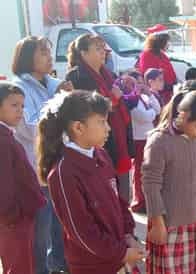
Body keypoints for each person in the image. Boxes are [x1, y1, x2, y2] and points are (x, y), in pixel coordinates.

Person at [37, 91, 144, 274]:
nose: (108, 128)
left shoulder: (100, 154)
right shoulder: (63, 172)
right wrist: (121, 253)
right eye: (102, 122)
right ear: (78, 127)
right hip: (93, 265)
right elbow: (81, 232)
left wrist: (128, 234)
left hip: (117, 254)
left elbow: (118, 201)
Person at [11, 36, 71, 274]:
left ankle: (59, 265)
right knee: (40, 232)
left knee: (59, 226)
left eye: (49, 51)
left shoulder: (54, 84)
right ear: (27, 57)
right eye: (42, 52)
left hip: (57, 165)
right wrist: (57, 112)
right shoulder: (20, 88)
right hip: (34, 170)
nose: (49, 57)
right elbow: (27, 128)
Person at [142, 91, 196, 273]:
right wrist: (158, 223)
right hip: (169, 224)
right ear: (183, 115)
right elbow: (151, 184)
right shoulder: (159, 141)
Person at [65, 33, 135, 203]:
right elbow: (88, 110)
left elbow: (121, 106)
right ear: (83, 53)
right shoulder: (77, 76)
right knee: (106, 196)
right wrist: (114, 99)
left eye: (103, 49)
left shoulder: (108, 73)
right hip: (99, 141)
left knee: (123, 193)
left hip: (118, 138)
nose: (103, 52)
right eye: (97, 49)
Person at [0, 82, 46, 274]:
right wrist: (12, 215)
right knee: (19, 267)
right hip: (13, 219)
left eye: (22, 105)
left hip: (16, 216)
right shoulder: (2, 139)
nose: (20, 111)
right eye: (14, 105)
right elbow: (4, 182)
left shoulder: (7, 134)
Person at [114, 74, 162, 214]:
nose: (139, 86)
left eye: (140, 83)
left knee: (147, 171)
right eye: (134, 83)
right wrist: (151, 113)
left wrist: (150, 96)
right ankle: (139, 201)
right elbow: (143, 117)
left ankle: (147, 200)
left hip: (147, 138)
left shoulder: (142, 97)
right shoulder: (129, 100)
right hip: (138, 140)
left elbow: (158, 109)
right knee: (139, 173)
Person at [137, 24, 177, 104]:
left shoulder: (162, 54)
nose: (168, 43)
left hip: (168, 94)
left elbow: (171, 74)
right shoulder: (147, 55)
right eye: (166, 41)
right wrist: (167, 86)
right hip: (157, 97)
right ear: (159, 41)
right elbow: (149, 79)